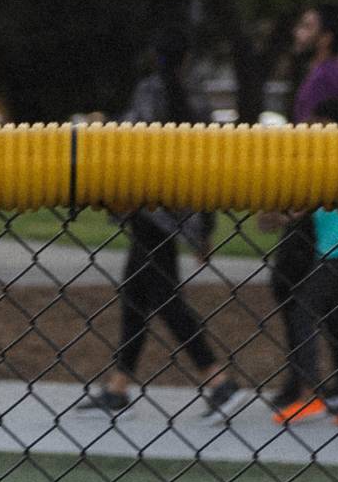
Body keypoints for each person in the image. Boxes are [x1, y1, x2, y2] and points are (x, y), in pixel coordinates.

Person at [82, 36, 235, 414]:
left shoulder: (149, 91)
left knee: (164, 300)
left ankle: (217, 378)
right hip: (180, 209)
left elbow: (129, 136)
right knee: (136, 292)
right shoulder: (196, 98)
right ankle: (119, 386)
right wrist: (206, 227)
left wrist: (101, 125)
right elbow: (210, 162)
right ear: (186, 60)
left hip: (149, 207)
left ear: (155, 56)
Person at [262, 93, 338, 422]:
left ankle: (310, 393)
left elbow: (310, 201)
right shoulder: (335, 157)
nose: (312, 128)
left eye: (319, 123)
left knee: (302, 313)